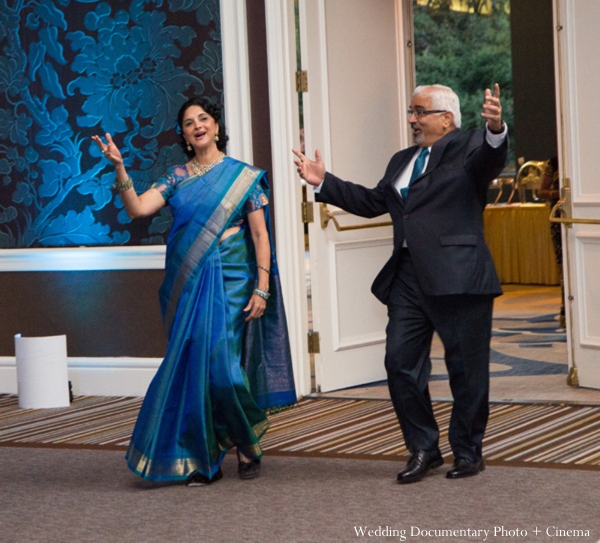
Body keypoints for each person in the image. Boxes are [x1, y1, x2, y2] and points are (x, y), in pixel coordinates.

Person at [293, 84, 508, 483]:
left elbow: (491, 158)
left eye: (420, 112)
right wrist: (324, 182)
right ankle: (424, 448)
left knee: (467, 369)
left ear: (447, 118)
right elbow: (375, 202)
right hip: (408, 276)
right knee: (400, 363)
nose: (412, 119)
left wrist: (496, 127)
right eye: (411, 112)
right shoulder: (402, 160)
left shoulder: (469, 148)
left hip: (458, 275)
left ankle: (467, 451)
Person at [93, 97, 296, 486]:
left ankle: (246, 440)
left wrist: (263, 287)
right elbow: (138, 209)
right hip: (189, 284)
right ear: (184, 136)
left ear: (216, 127)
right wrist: (119, 166)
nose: (197, 125)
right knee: (196, 370)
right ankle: (206, 457)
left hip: (235, 282)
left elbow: (260, 235)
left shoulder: (244, 177)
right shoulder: (176, 177)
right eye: (189, 122)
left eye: (204, 118)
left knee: (225, 372)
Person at [538, 156, 565, 328]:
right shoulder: (553, 163)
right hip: (559, 219)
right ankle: (566, 309)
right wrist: (560, 194)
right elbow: (542, 192)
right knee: (564, 265)